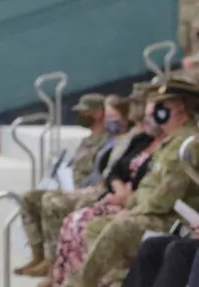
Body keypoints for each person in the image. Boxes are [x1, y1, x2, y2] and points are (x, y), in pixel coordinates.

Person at [66, 79, 199, 287]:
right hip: (149, 210)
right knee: (95, 226)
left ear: (181, 107)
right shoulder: (170, 140)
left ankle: (78, 284)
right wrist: (129, 204)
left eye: (164, 105)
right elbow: (147, 185)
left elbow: (165, 197)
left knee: (119, 228)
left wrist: (134, 211)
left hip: (170, 218)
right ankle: (115, 282)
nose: (157, 110)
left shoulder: (189, 143)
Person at [49, 100, 161, 286]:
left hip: (138, 206)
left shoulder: (174, 148)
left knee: (87, 224)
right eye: (146, 115)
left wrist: (127, 199)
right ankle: (61, 279)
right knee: (74, 221)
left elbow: (156, 191)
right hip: (120, 196)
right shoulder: (142, 140)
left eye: (152, 115)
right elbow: (114, 171)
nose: (147, 120)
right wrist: (120, 190)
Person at [14, 93, 109, 277]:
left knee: (53, 202)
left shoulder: (107, 141)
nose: (81, 115)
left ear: (98, 113)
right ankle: (38, 256)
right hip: (72, 188)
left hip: (90, 192)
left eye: (85, 111)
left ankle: (53, 265)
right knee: (29, 198)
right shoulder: (86, 140)